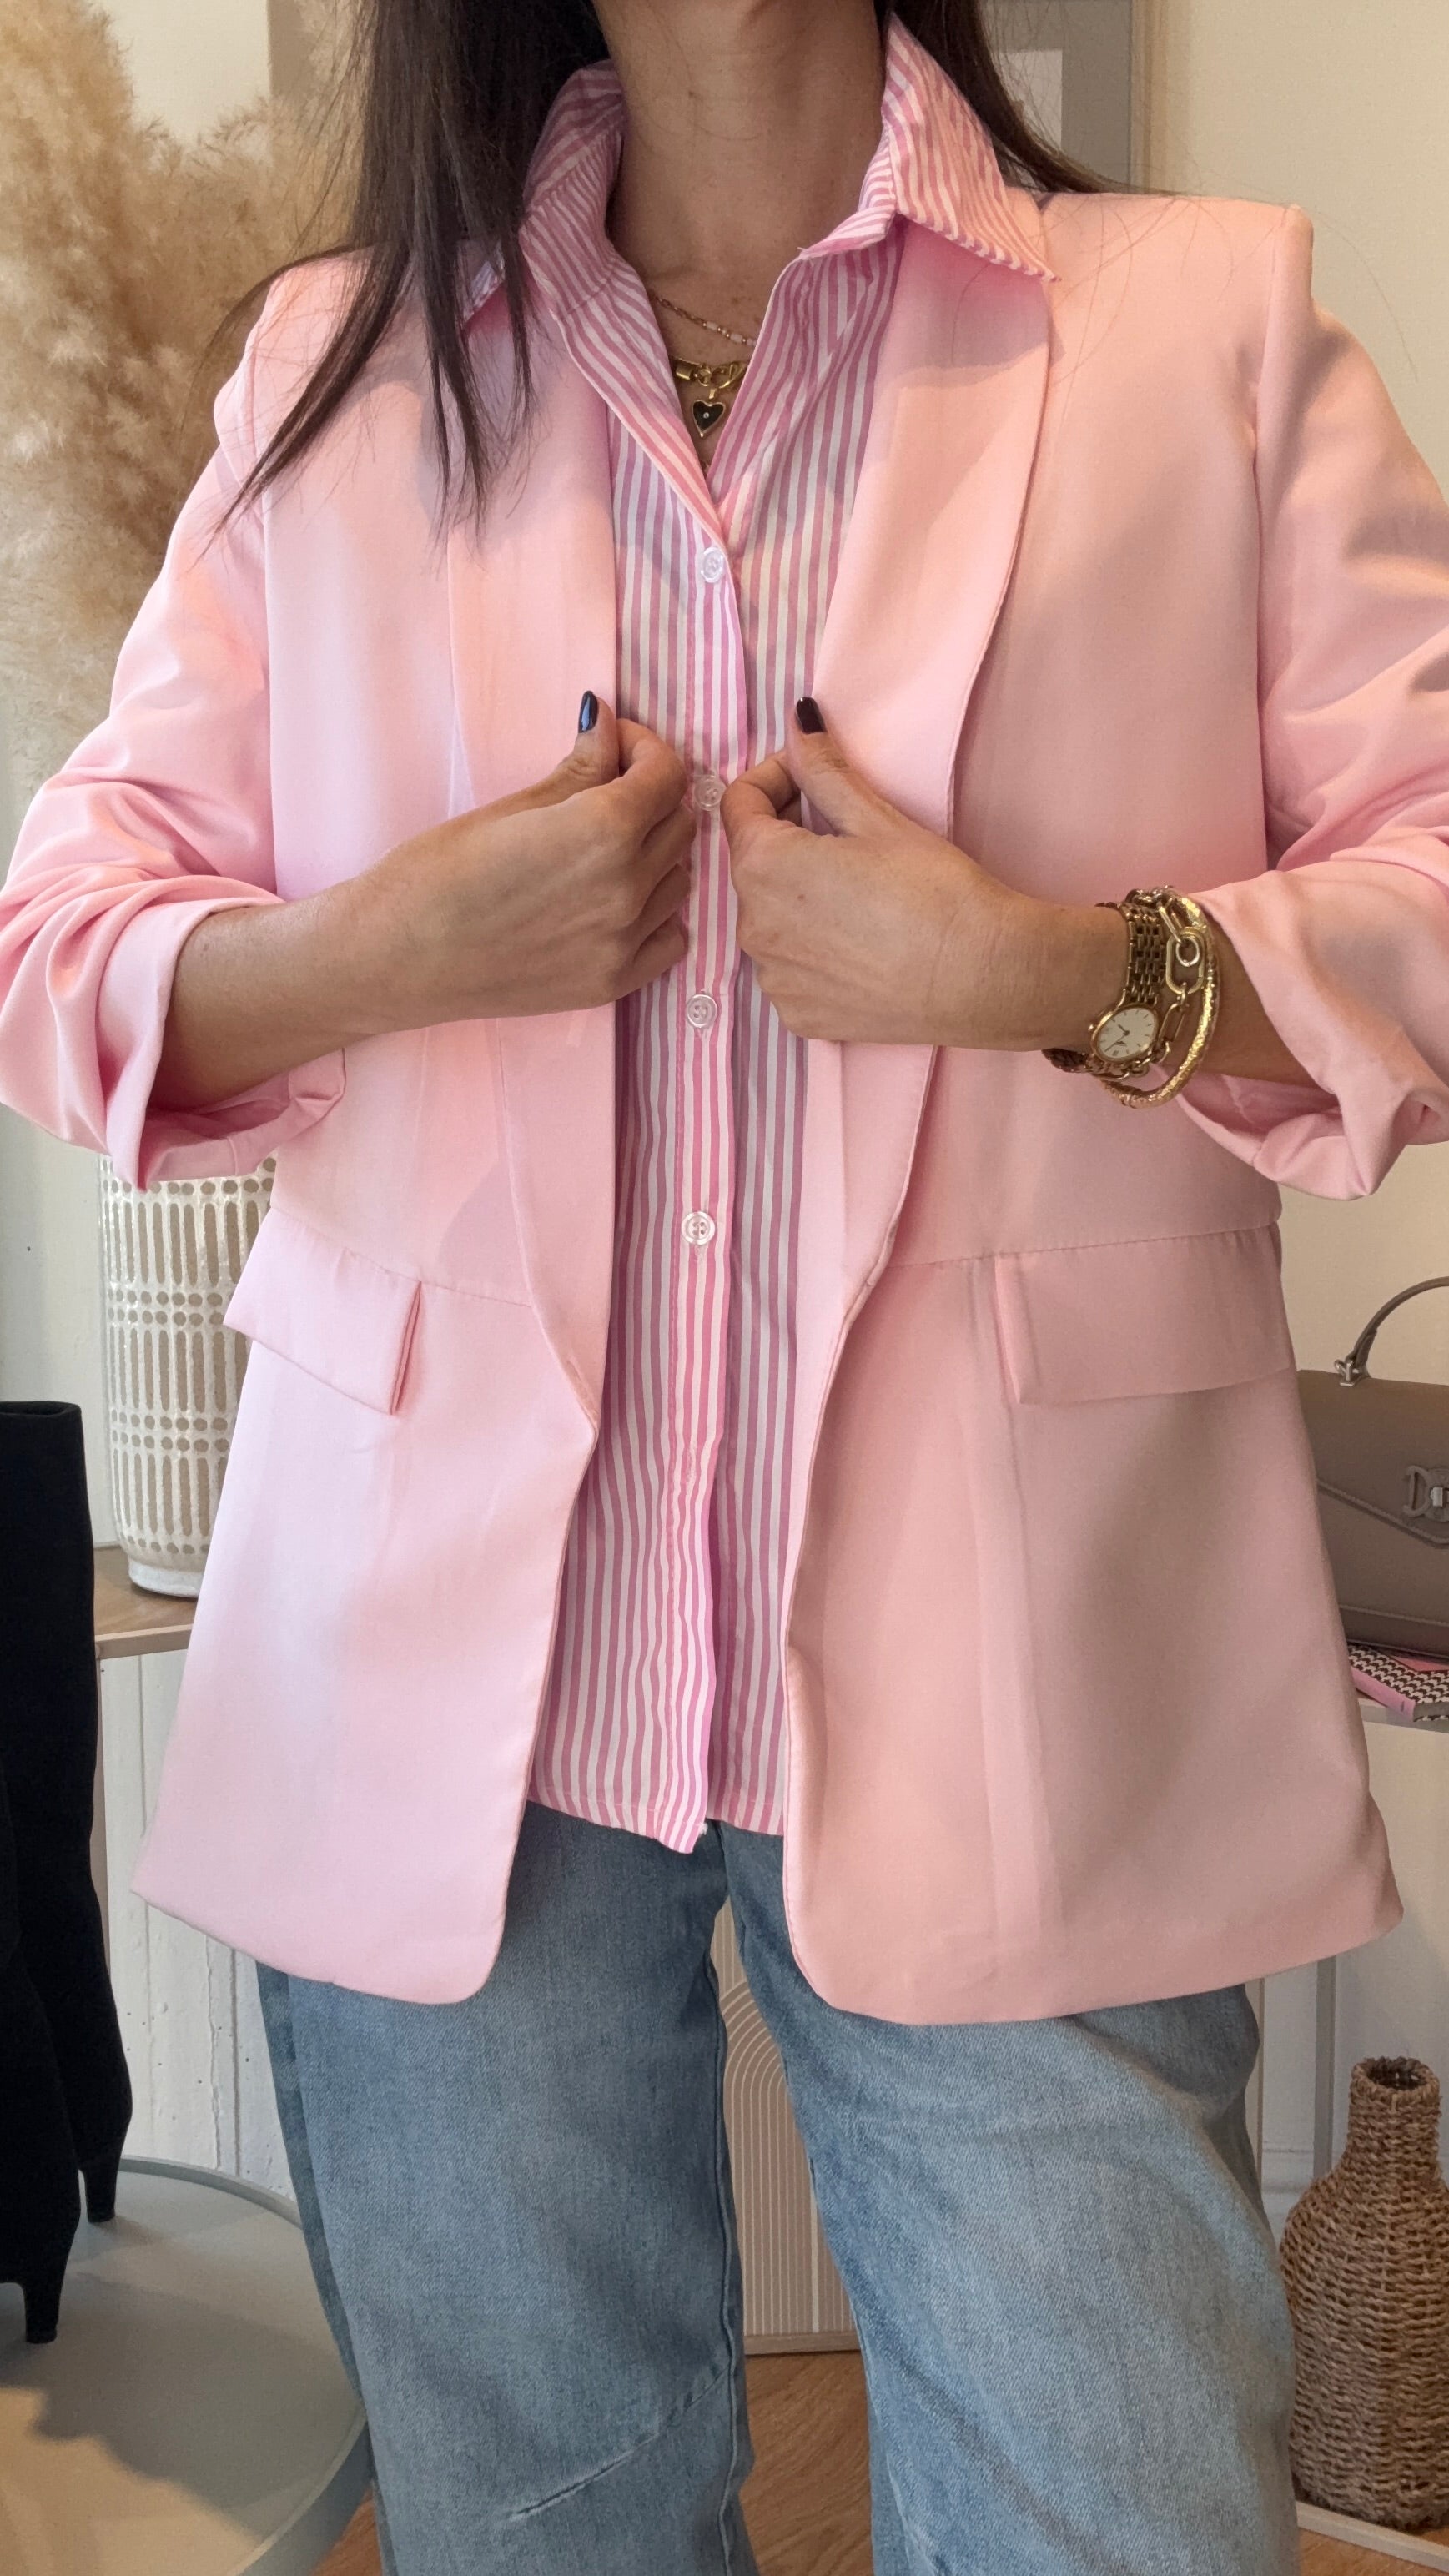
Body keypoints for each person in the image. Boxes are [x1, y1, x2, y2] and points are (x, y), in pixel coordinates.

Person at [4, 0, 1449, 2565]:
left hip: (1034, 1663)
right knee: (542, 2534)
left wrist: (1059, 969)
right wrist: (378, 950)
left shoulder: (1200, 328)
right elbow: (60, 946)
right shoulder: (342, 371)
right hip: (443, 1687)